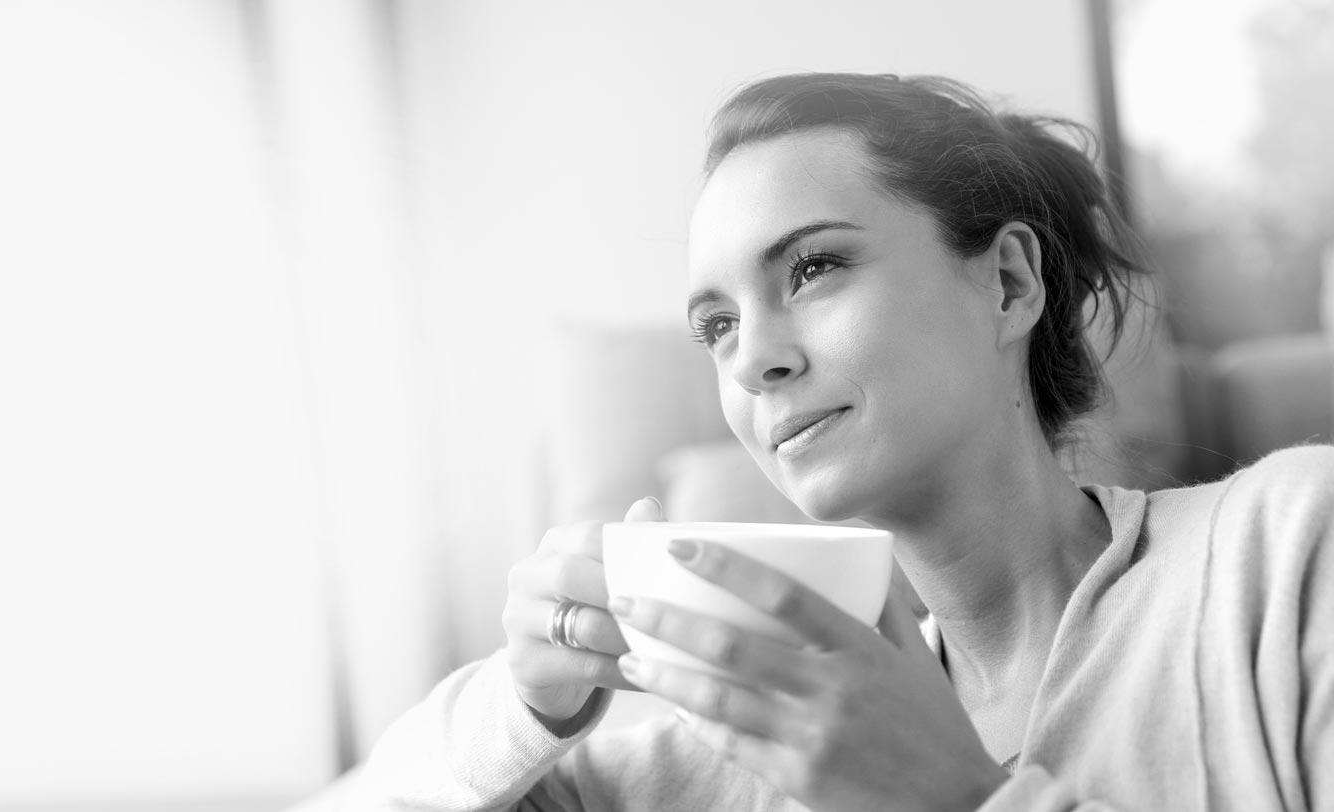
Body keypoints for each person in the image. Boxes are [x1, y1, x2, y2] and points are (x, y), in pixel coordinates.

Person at [343, 73, 1334, 811]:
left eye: (813, 267)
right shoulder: (738, 738)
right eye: (716, 325)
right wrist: (524, 702)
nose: (752, 358)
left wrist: (957, 798)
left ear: (1008, 283)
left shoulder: (1284, 551)